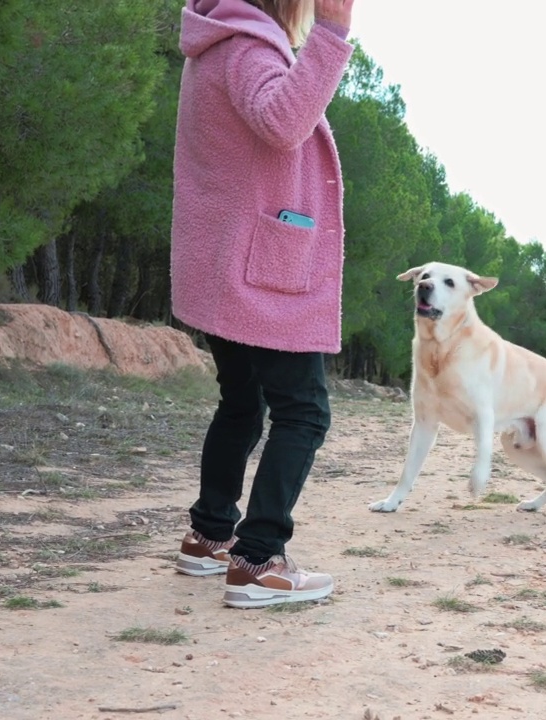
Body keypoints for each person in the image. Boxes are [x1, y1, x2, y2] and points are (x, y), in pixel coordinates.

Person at [168, 0, 356, 609]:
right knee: (304, 412)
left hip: (227, 261)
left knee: (242, 404)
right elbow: (282, 122)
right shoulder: (248, 46)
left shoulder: (216, 42)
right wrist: (331, 33)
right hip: (261, 269)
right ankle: (256, 559)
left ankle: (209, 534)